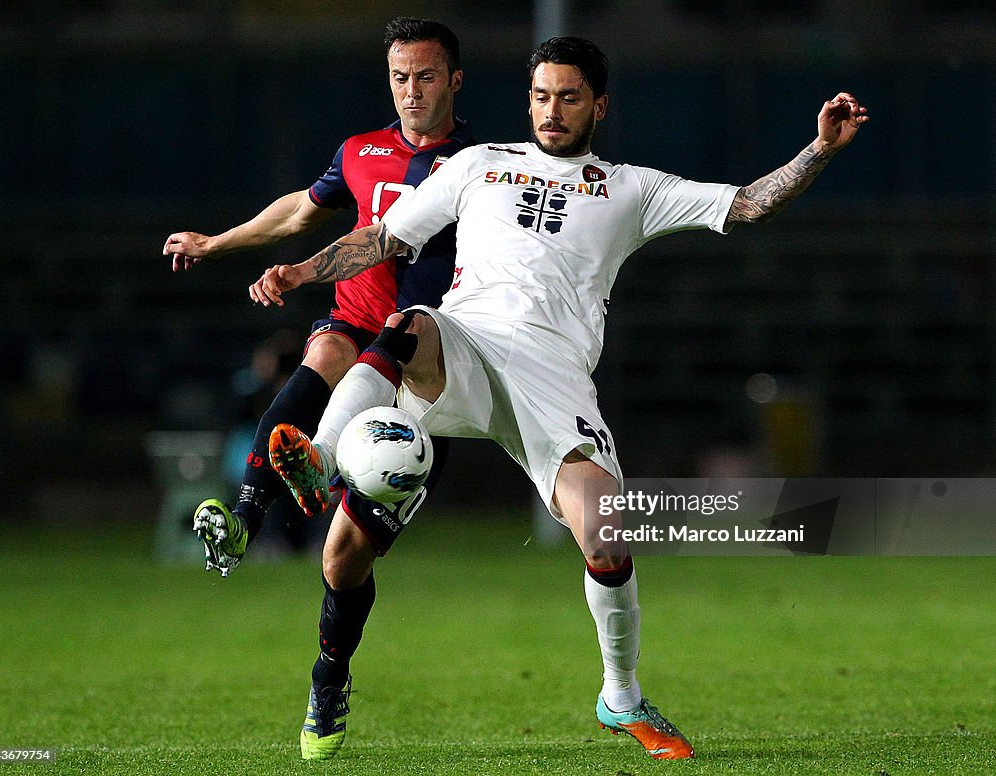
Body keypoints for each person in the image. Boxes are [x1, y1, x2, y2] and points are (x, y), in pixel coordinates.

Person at [250, 36, 868, 761]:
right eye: (541, 95)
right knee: (400, 344)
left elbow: (747, 205)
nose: (552, 109)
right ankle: (320, 463)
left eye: (569, 96)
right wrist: (301, 272)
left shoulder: (631, 187)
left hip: (554, 379)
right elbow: (385, 238)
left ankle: (621, 696)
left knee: (606, 535)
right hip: (465, 344)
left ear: (598, 104)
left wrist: (819, 149)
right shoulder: (477, 166)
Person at [162, 16, 474, 761]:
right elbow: (301, 210)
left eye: (426, 76)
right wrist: (216, 243)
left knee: (341, 563)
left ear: (455, 82)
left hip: (426, 366)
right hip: (356, 327)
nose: (411, 91)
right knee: (329, 346)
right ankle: (246, 517)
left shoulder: (483, 163)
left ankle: (329, 674)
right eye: (400, 77)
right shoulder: (360, 151)